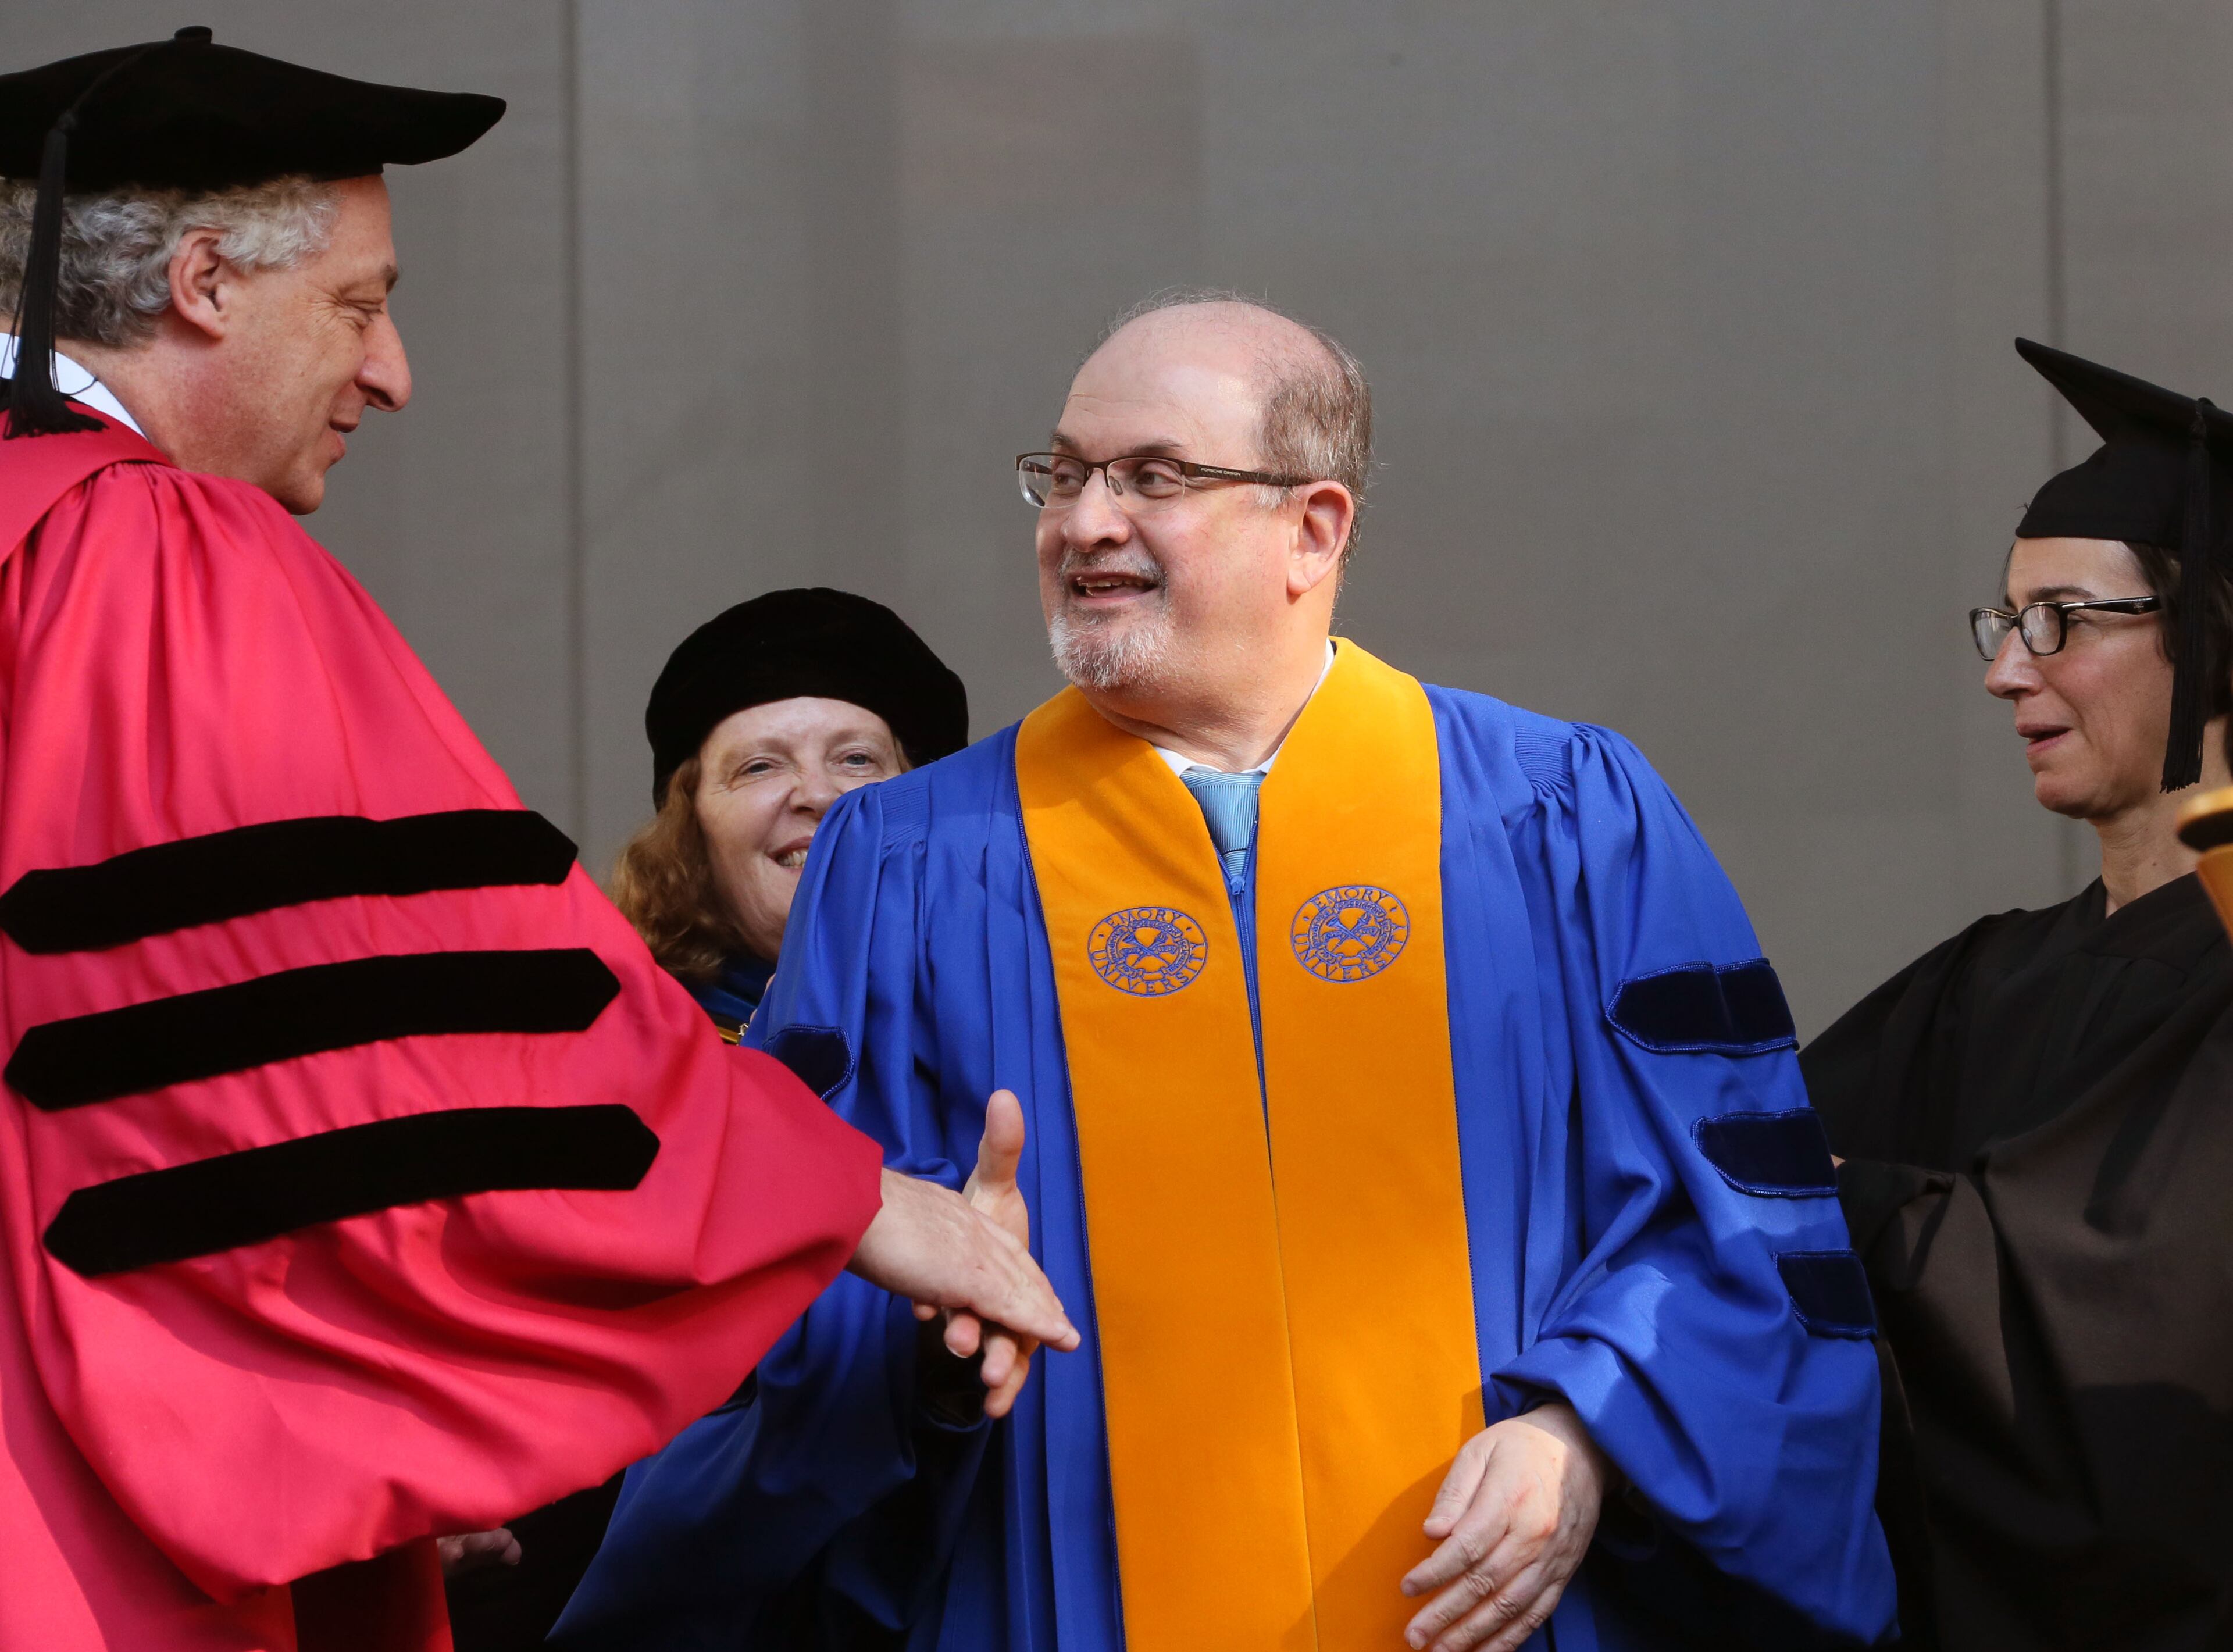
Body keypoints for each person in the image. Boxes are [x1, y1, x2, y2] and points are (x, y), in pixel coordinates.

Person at [559, 290, 1896, 1652]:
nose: (1082, 521)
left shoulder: (1562, 817)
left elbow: (1741, 1213)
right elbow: (792, 1263)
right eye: (1065, 473)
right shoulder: (904, 863)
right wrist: (924, 1344)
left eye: (1153, 477)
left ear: (1313, 527)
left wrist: (1595, 1419)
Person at [0, 31, 1072, 1652]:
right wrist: (856, 1202)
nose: (393, 372)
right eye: (361, 303)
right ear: (204, 283)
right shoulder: (144, 549)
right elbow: (377, 1011)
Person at [1804, 339, 2233, 1651]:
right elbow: (1753, 1155)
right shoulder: (1988, 976)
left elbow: (2128, 1311)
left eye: (2061, 622)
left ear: (2213, 631)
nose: (2006, 670)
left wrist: (1840, 1207)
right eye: (2005, 622)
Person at [444, 588, 969, 1648]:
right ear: (693, 827)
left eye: (857, 760)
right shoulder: (592, 1069)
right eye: (758, 765)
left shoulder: (1008, 1055)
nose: (815, 797)